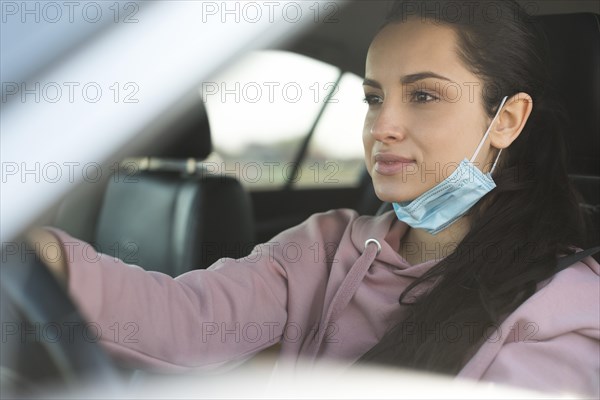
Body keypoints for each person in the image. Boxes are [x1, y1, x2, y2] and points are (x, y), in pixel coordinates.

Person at [31, 0, 599, 396]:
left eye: (424, 95)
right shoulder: (325, 246)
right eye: (374, 98)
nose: (384, 126)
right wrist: (35, 253)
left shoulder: (561, 312)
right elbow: (185, 319)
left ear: (507, 119)